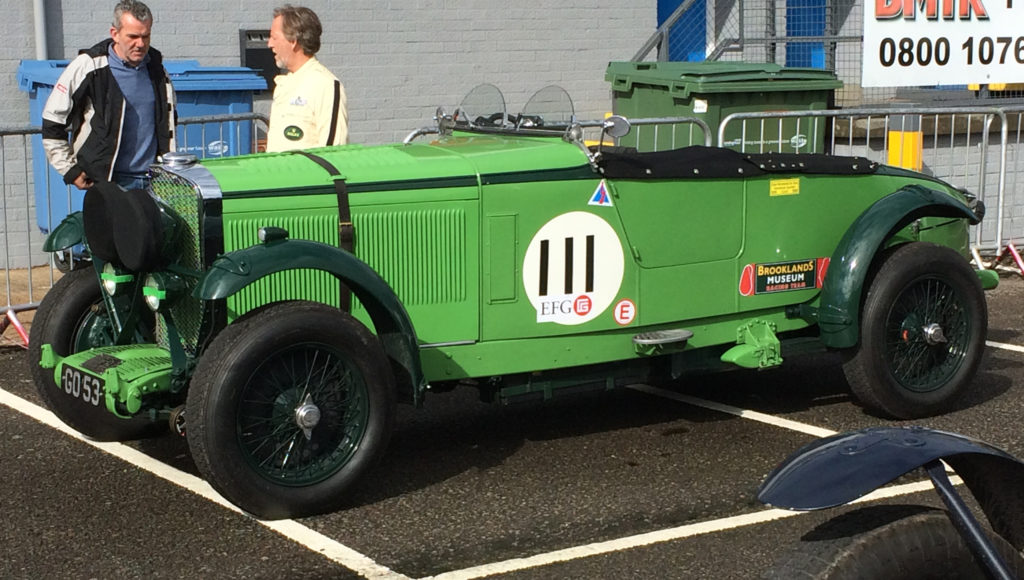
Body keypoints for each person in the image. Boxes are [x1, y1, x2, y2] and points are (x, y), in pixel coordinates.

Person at [41, 0, 176, 191]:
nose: (140, 44)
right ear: (115, 34)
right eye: (133, 36)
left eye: (146, 36)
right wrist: (70, 170)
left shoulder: (157, 70)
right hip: (109, 182)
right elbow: (52, 122)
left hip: (155, 179)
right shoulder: (88, 66)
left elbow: (168, 123)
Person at [265, 5, 348, 152]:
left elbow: (334, 152)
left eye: (274, 37)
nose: (269, 44)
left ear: (293, 41)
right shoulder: (286, 83)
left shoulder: (325, 85)